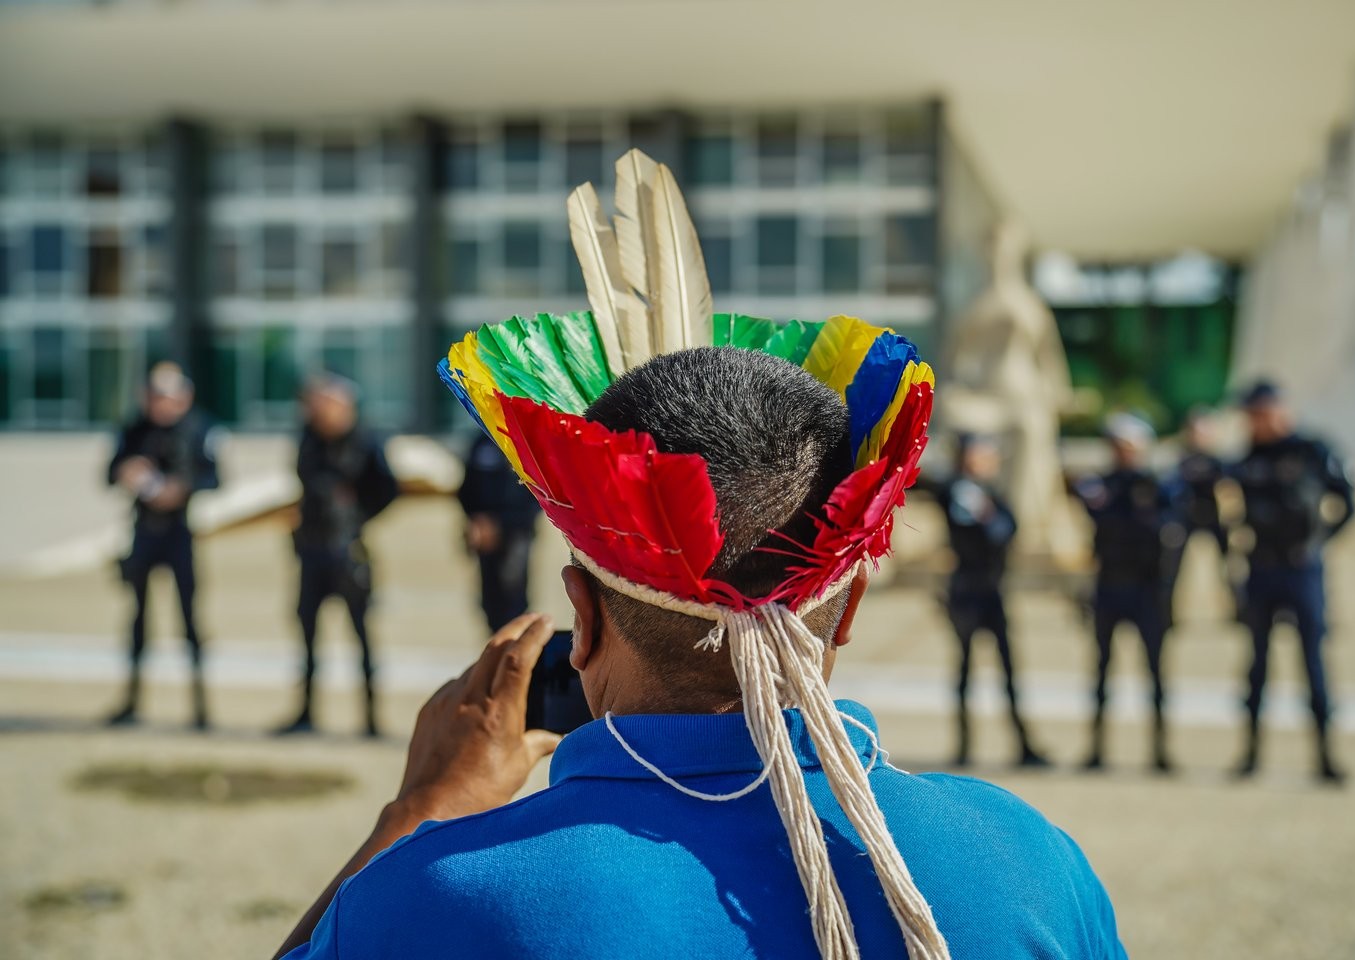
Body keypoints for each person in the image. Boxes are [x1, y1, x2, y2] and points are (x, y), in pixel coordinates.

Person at [276, 343, 1124, 960]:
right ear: (850, 603)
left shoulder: (430, 895)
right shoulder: (1030, 860)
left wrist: (420, 811)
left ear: (586, 616)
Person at [1230, 380, 1355, 784]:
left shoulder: (1312, 450)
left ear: (1277, 410)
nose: (1253, 422)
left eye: (1258, 413)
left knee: (1313, 663)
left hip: (1302, 571)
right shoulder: (1249, 455)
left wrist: (1318, 543)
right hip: (1262, 570)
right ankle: (1250, 754)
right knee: (1257, 664)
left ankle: (1324, 756)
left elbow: (1348, 502)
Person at [277, 375, 398, 738]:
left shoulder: (365, 440)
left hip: (348, 550)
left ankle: (371, 719)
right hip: (311, 549)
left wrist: (356, 514)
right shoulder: (308, 438)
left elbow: (388, 489)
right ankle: (306, 713)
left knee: (361, 634)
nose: (315, 411)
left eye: (323, 404)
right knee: (307, 633)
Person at [106, 362, 218, 730]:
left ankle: (201, 707)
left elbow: (213, 476)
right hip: (144, 533)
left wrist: (179, 488)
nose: (160, 402)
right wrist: (128, 472)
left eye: (168, 394)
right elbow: (108, 473)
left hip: (179, 534)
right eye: (155, 394)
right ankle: (132, 701)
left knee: (189, 618)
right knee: (138, 617)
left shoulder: (198, 428)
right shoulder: (134, 428)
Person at [935, 432, 1048, 768]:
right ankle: (964, 746)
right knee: (966, 669)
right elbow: (977, 532)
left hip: (993, 591)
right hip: (967, 591)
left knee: (1008, 669)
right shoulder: (956, 490)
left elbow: (1007, 530)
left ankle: (1023, 744)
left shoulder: (991, 494)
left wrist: (988, 513)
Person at [1072, 413, 1174, 773]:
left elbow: (1165, 531)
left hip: (1147, 588)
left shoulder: (1158, 485)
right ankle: (1097, 748)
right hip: (1111, 584)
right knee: (1101, 670)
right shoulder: (1101, 484)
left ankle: (1161, 750)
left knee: (1156, 672)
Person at [457, 431, 541, 635]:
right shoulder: (481, 441)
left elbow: (538, 496)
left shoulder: (525, 439)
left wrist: (501, 524)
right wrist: (475, 520)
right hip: (485, 537)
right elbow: (466, 488)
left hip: (516, 535)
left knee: (513, 596)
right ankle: (495, 651)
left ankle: (516, 652)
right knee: (490, 600)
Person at [1161, 407, 1232, 626]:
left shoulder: (1219, 462)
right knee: (1171, 568)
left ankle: (1240, 609)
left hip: (1214, 518)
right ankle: (1166, 612)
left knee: (1230, 568)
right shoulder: (1179, 461)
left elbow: (1229, 491)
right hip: (1185, 518)